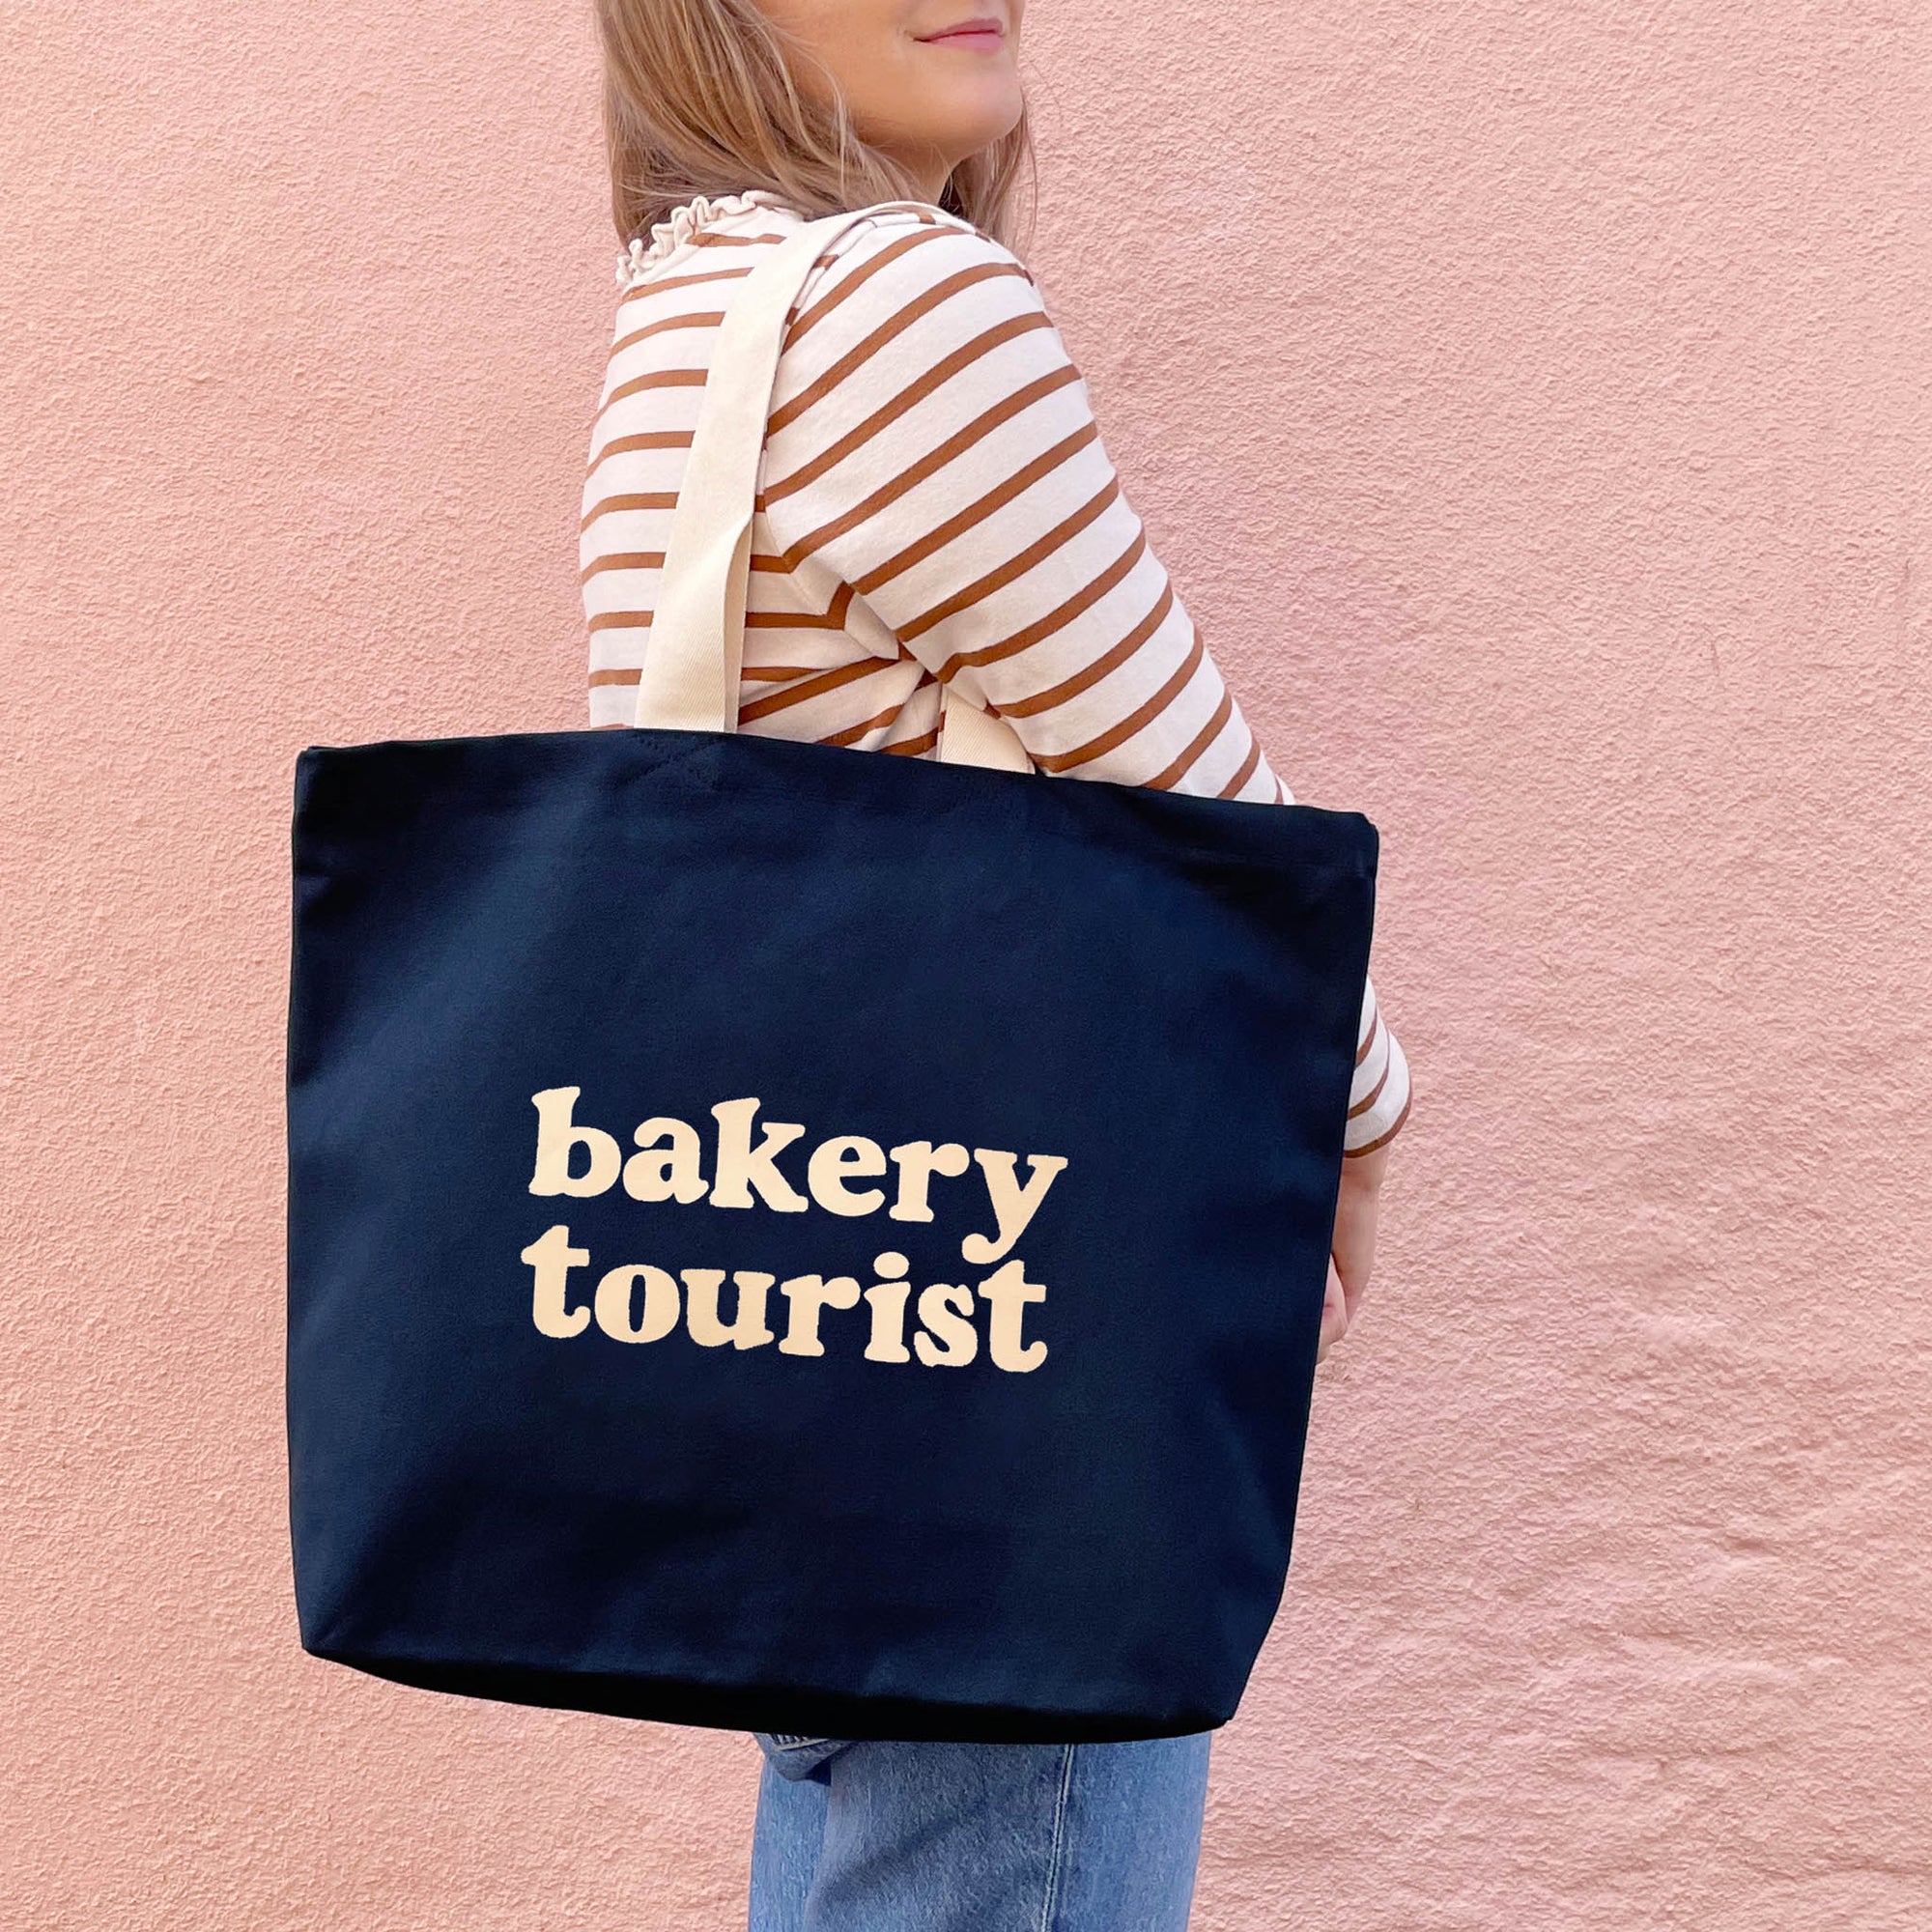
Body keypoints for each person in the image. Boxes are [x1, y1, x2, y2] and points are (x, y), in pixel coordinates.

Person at [580, 3, 1413, 1925]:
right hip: (1007, 1369)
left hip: (828, 1368)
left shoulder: (695, 305)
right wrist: (1358, 1110)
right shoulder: (902, 308)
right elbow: (1204, 814)